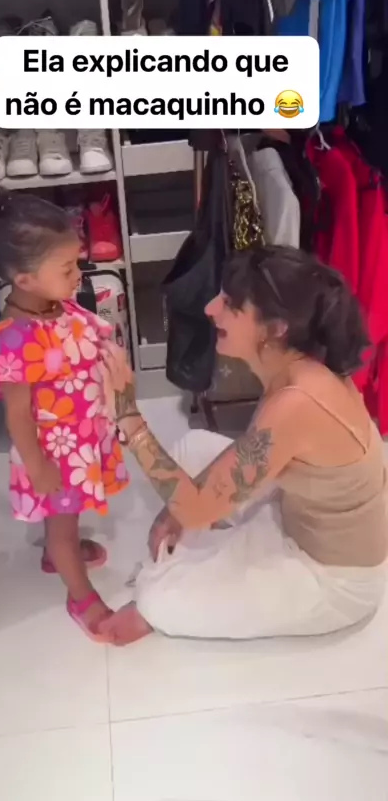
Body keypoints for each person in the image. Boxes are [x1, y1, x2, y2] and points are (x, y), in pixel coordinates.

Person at [100, 246, 387, 646]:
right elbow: (244, 461)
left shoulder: (299, 401)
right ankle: (203, 550)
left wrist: (128, 415)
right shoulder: (293, 366)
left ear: (275, 328)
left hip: (334, 578)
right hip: (294, 510)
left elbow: (199, 506)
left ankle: (184, 573)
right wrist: (179, 511)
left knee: (157, 600)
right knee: (193, 447)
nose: (210, 309)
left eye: (230, 304)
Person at [0, 194, 129, 640]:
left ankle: (56, 554)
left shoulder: (54, 306)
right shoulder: (15, 339)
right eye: (67, 268)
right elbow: (18, 415)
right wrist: (37, 465)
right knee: (62, 522)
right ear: (25, 279)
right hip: (54, 452)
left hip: (77, 439)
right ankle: (81, 596)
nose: (78, 275)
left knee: (65, 517)